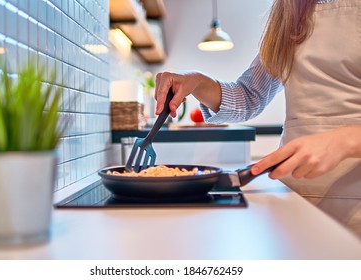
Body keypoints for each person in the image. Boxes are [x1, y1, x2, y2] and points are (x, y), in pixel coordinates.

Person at [154, 0, 361, 238]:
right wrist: (198, 81)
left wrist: (345, 140)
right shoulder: (289, 9)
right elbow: (249, 97)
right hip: (298, 195)